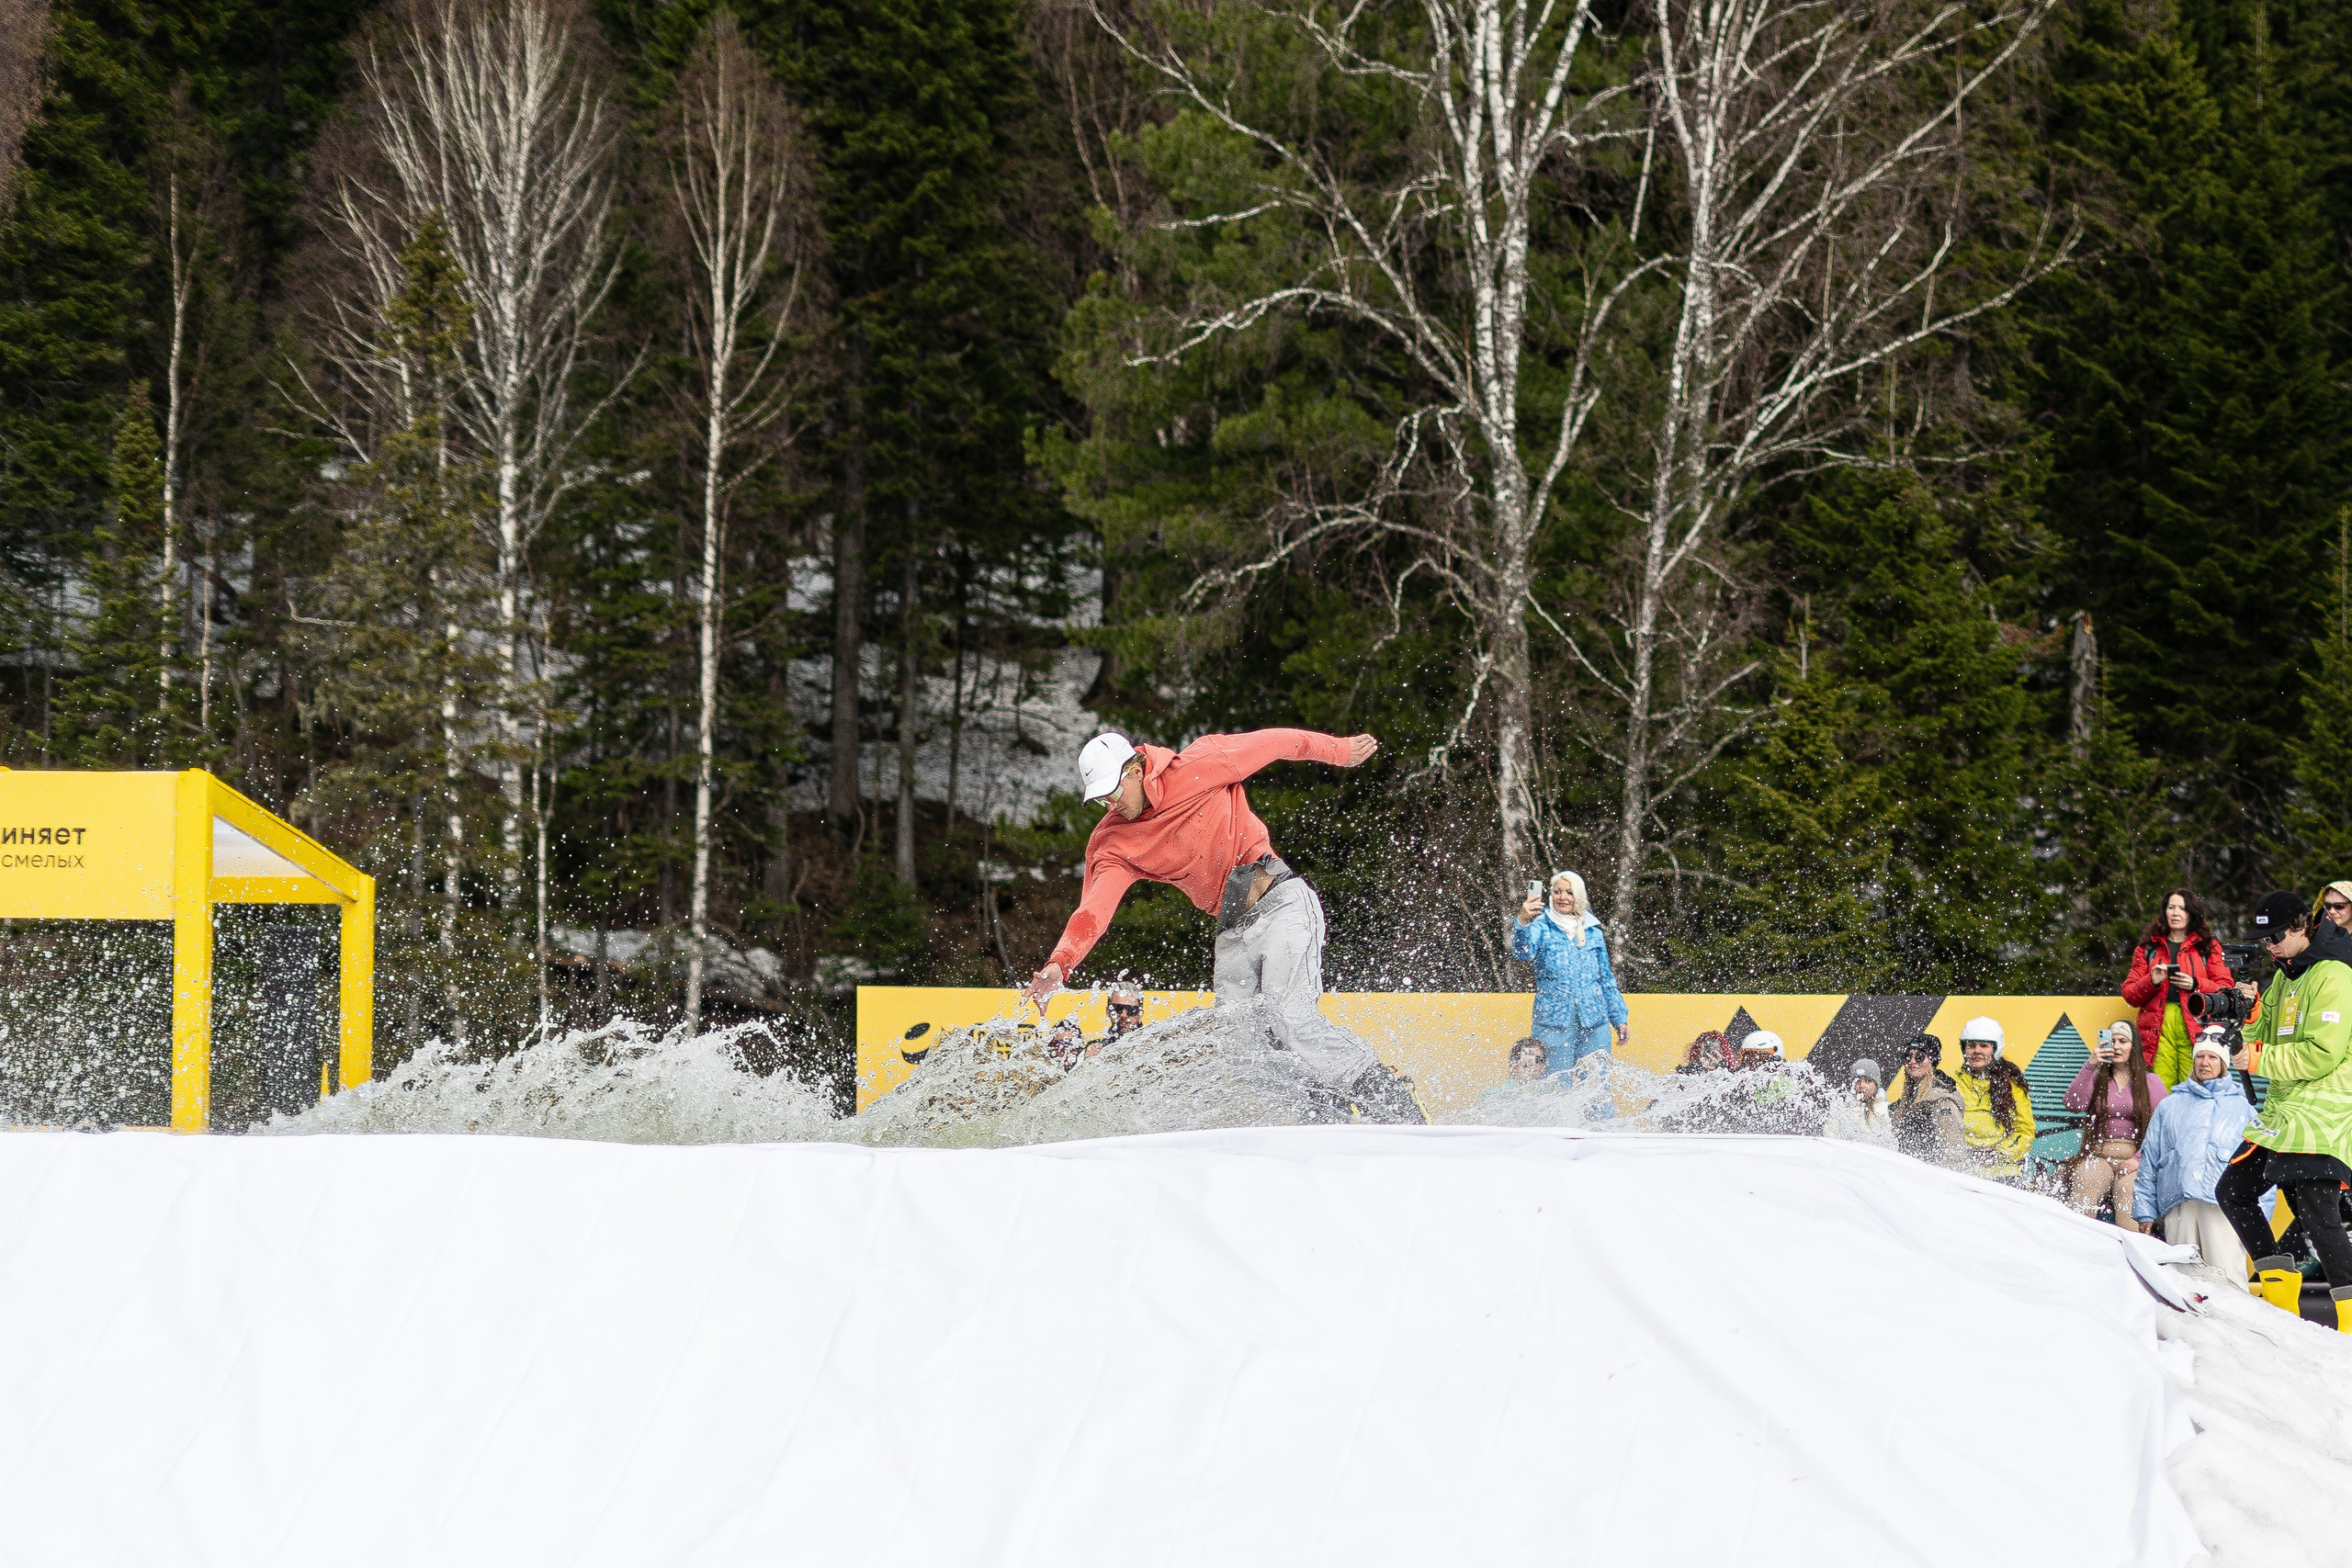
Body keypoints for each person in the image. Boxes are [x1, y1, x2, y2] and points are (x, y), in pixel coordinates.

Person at [1022, 728, 1423, 1121]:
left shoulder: (1202, 763)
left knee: (1289, 1018)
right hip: (1232, 932)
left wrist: (1340, 751)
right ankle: (1323, 1118)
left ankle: (1389, 1099)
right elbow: (1095, 909)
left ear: (1135, 769)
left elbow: (1281, 743)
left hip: (1281, 906)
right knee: (1241, 1043)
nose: (1110, 805)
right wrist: (1061, 962)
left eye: (1112, 791)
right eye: (1100, 799)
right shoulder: (1113, 842)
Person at [2212, 891, 2352, 1332]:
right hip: (2284, 1113)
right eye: (2261, 938)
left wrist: (2252, 1058)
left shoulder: (2334, 975)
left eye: (2274, 935)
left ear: (2300, 925)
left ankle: (2349, 1321)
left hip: (2322, 1111)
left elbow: (2320, 1055)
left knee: (2315, 1209)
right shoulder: (2283, 977)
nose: (2268, 945)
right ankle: (2280, 1292)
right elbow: (2255, 1035)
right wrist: (2247, 1010)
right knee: (2232, 1190)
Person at [2132, 1027, 2257, 1279]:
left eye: (2212, 1057)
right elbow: (2150, 1160)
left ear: (2223, 1063)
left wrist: (2256, 1221)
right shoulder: (2170, 1105)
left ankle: (2232, 1320)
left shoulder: (2242, 1109)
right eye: (2200, 1057)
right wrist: (2145, 1209)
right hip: (2179, 1206)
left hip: (2223, 1209)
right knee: (2183, 1281)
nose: (2204, 1063)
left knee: (2228, 1278)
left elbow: (2257, 1169)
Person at [1509, 871, 1629, 1085]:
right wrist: (1522, 923)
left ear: (1579, 896)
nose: (1562, 897)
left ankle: (1598, 1121)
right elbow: (1523, 953)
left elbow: (1605, 979)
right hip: (1553, 1023)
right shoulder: (1540, 926)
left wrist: (1619, 1018)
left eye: (1569, 892)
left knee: (1596, 1090)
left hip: (1595, 1023)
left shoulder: (1593, 930)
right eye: (1557, 892)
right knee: (1554, 1087)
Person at [2121, 887, 2235, 1087]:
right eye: (2171, 907)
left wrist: (2195, 984)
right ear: (2164, 912)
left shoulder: (2208, 947)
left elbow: (2225, 989)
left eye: (2182, 908)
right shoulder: (2148, 948)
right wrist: (2152, 980)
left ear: (2192, 913)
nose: (2175, 913)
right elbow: (2129, 994)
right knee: (2159, 1093)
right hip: (2157, 1027)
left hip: (2197, 1027)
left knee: (2197, 1089)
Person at [2062, 1022, 2167, 1230]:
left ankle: (2131, 1256)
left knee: (2129, 1193)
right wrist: (2091, 1064)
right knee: (2086, 1178)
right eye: (2113, 1041)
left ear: (2134, 1046)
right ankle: (2076, 1248)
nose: (2117, 1047)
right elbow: (2073, 1104)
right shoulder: (2097, 1077)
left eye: (2123, 1041)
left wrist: (2138, 1160)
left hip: (2134, 1158)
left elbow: (2163, 1128)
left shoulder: (2150, 1081)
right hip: (2099, 1155)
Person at [1953, 1017, 2036, 1181]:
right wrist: (1965, 1152)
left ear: (1995, 1049)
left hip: (2003, 1172)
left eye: (1984, 1046)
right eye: (1971, 1046)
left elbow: (2025, 1132)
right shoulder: (1953, 1083)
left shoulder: (2012, 1085)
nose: (1976, 1051)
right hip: (1964, 1171)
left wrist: (1997, 1154)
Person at [1888, 1032, 1966, 1166]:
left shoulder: (1942, 1101)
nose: (1912, 1062)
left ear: (1932, 1061)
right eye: (1908, 1056)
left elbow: (1953, 1151)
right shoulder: (1905, 1102)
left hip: (1929, 1179)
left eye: (1919, 1057)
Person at [1822, 1058, 1894, 1146]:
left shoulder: (1885, 1112)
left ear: (1876, 1085)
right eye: (1858, 1081)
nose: (1862, 1086)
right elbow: (1829, 1136)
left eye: (1867, 1081)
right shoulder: (1841, 1109)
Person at [1480, 1037, 1555, 1104]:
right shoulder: (1494, 1095)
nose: (1533, 1066)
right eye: (1526, 1062)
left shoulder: (1549, 1092)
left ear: (1544, 1065)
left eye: (1539, 1060)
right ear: (1513, 1064)